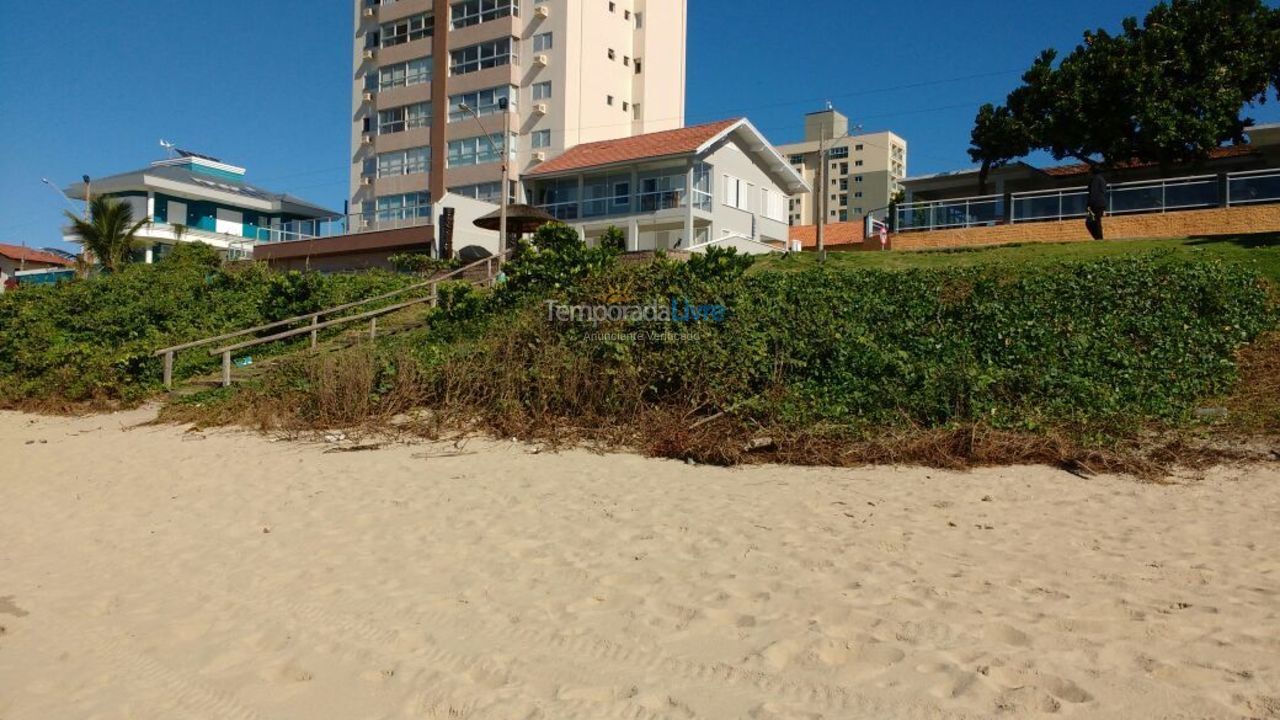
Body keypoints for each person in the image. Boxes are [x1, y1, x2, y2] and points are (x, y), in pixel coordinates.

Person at [1086, 166, 1107, 240]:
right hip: (1101, 203)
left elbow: (1093, 193)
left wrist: (1089, 205)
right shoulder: (1102, 179)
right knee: (1096, 221)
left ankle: (1098, 238)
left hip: (1096, 203)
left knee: (1091, 222)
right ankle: (1098, 238)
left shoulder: (1095, 179)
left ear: (1092, 172)